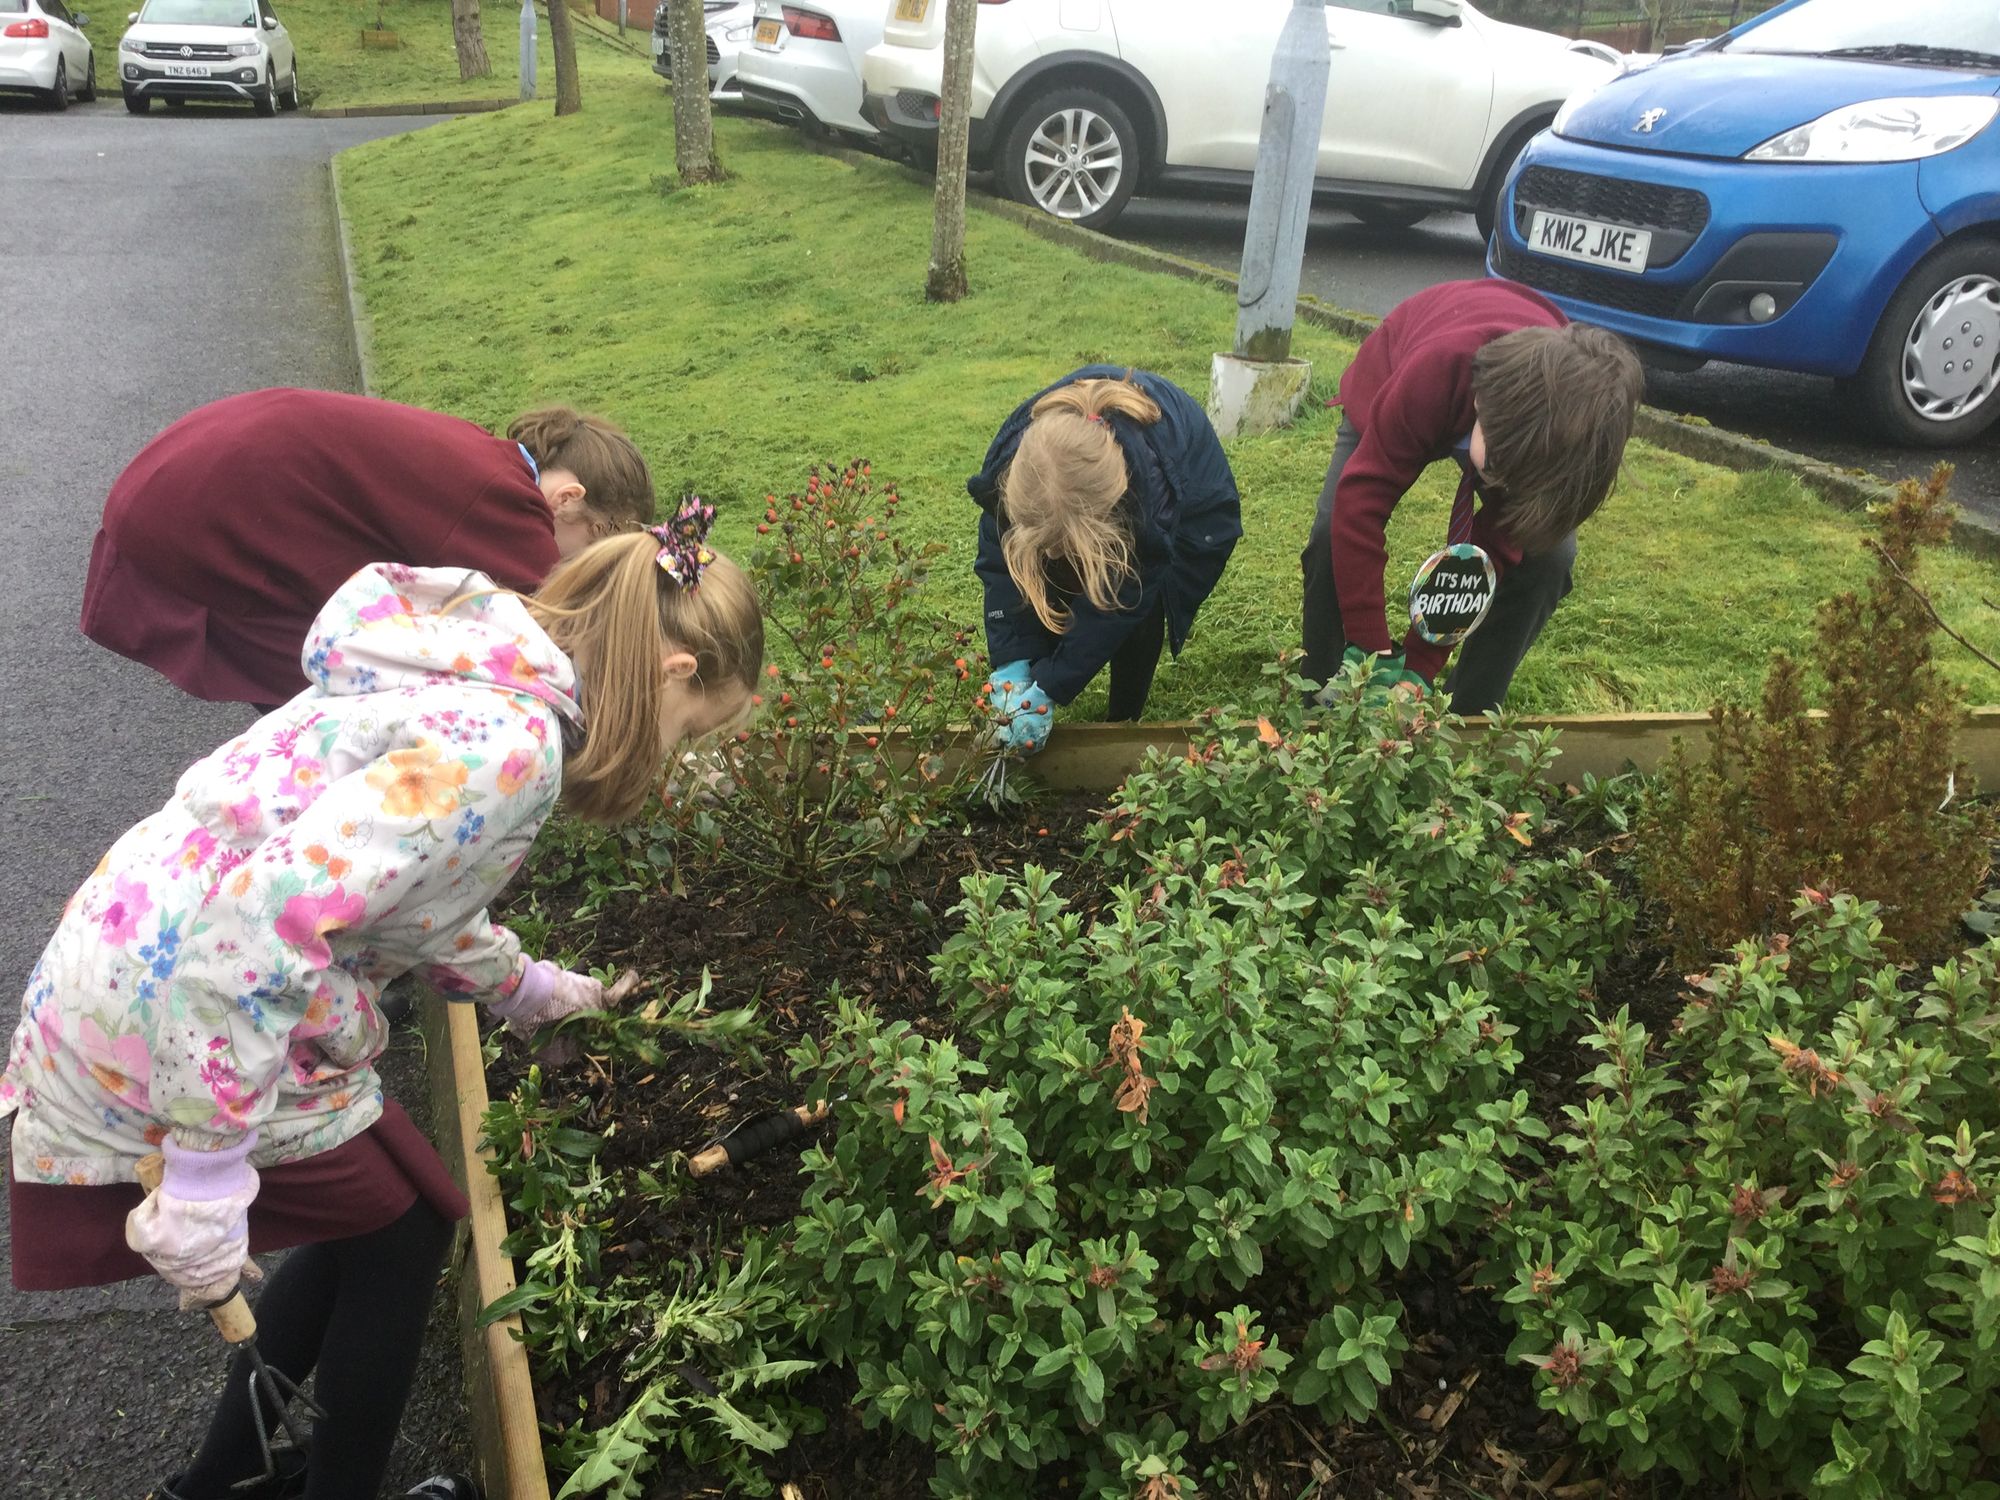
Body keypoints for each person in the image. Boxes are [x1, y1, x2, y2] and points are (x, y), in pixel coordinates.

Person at [3, 509, 761, 1500]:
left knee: (401, 1212)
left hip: (147, 960)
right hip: (176, 1013)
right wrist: (200, 1172)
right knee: (404, 1232)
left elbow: (401, 892)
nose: (669, 758)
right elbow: (263, 921)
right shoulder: (510, 749)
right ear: (675, 672)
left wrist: (528, 989)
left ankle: (221, 1480)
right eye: (690, 733)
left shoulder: (491, 677)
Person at [82, 390, 660, 711]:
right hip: (194, 513)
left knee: (343, 670)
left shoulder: (491, 458)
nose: (579, 567)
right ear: (569, 500)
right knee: (341, 690)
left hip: (172, 482)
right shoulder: (510, 507)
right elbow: (548, 643)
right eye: (593, 548)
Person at [1301, 279, 1645, 713]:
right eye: (1500, 470)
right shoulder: (1434, 373)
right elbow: (1361, 502)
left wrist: (1420, 668)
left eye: (1518, 482)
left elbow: (1490, 550)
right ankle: (1319, 697)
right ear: (1479, 402)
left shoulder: (1572, 435)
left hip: (1533, 429)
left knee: (1550, 557)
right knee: (1333, 529)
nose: (1503, 489)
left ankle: (1469, 714)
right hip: (1410, 357)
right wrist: (1373, 653)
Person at [969, 366, 1242, 751]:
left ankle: (1124, 718)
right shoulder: (1016, 470)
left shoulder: (1149, 505)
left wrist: (1053, 683)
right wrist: (1014, 661)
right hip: (1089, 498)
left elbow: (1123, 603)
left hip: (1194, 505)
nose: (1049, 555)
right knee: (1045, 570)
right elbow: (1000, 564)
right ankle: (1037, 663)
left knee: (1139, 608)